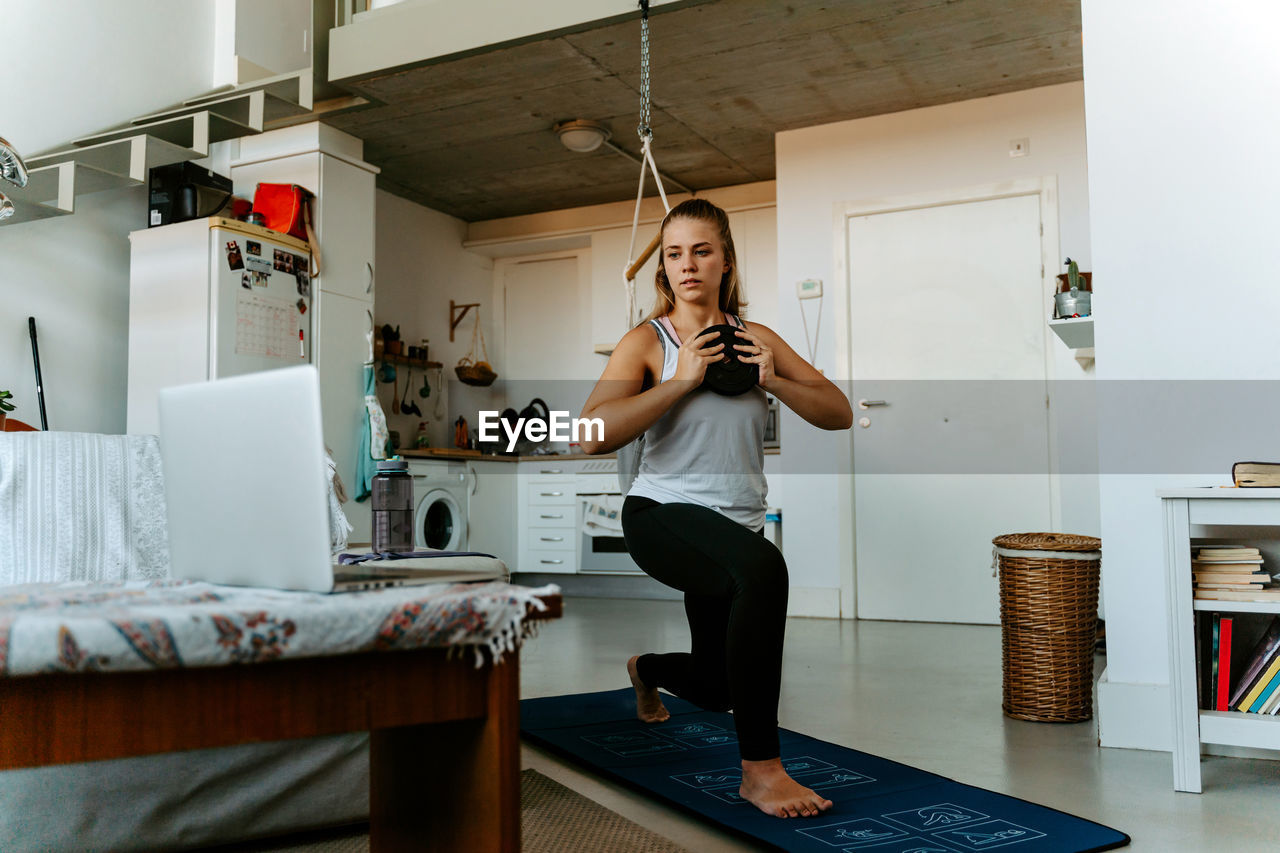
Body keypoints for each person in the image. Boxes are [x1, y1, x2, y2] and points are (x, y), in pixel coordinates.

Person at [579, 198, 853, 819]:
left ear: (725, 260)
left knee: (721, 684)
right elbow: (589, 432)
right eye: (675, 254)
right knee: (763, 571)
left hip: (733, 525)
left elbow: (837, 414)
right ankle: (762, 773)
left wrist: (773, 379)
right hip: (661, 514)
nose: (687, 265)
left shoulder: (759, 340)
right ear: (664, 268)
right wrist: (679, 380)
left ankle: (645, 669)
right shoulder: (649, 342)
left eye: (701, 251)